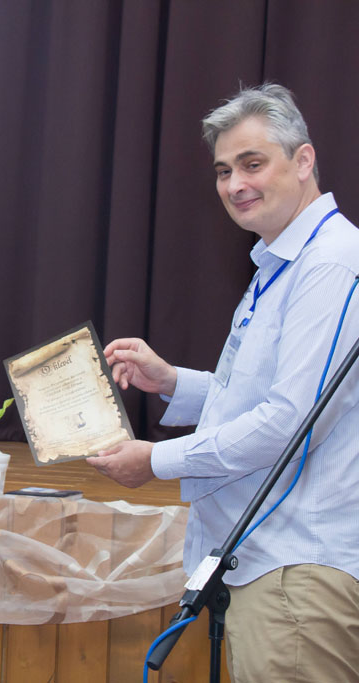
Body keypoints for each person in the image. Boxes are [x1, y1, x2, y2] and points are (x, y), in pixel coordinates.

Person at [88, 83, 359, 681]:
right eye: (223, 170)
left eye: (252, 164)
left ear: (304, 160)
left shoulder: (331, 263)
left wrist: (157, 460)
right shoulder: (281, 261)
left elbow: (289, 425)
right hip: (267, 565)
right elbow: (268, 399)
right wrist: (172, 382)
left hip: (296, 574)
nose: (235, 185)